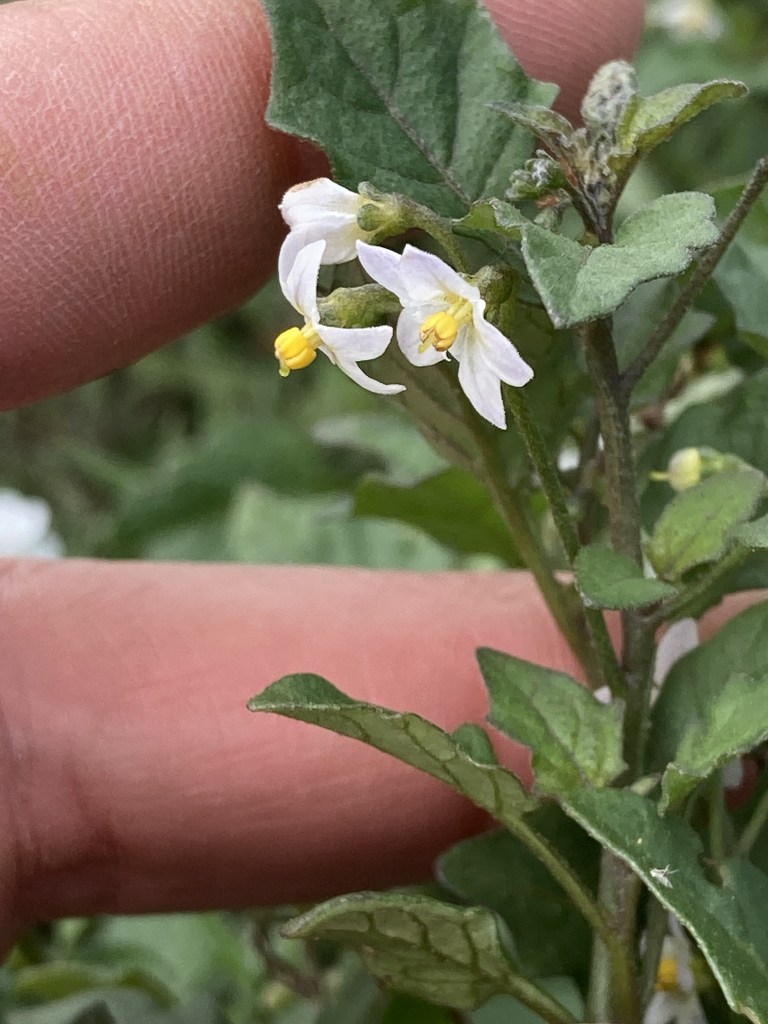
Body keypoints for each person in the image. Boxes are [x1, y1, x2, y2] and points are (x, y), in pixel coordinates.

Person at [0, 0, 676, 957]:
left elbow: (452, 340)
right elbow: (434, 334)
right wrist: (432, 308)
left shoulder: (442, 327)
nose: (435, 332)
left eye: (449, 319)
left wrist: (445, 309)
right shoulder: (427, 320)